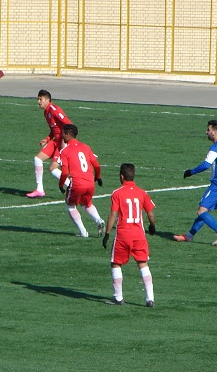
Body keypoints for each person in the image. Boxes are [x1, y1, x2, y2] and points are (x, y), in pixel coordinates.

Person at [174, 119, 217, 246]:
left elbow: (206, 165)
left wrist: (191, 172)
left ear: (214, 132)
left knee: (201, 211)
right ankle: (189, 235)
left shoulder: (216, 146)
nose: (206, 132)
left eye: (208, 130)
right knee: (205, 211)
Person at [102, 163, 156, 307]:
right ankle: (150, 298)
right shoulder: (142, 192)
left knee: (116, 263)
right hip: (139, 234)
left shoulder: (117, 193)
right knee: (143, 263)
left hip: (123, 234)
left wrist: (107, 234)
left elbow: (113, 214)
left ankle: (118, 297)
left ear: (121, 176)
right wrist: (152, 226)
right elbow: (150, 213)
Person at [58, 124, 105, 237]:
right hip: (90, 182)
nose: (62, 136)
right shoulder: (85, 147)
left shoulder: (65, 151)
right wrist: (97, 177)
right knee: (87, 203)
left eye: (63, 134)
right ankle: (99, 220)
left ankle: (83, 232)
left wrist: (61, 185)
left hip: (77, 183)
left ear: (68, 135)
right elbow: (97, 165)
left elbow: (64, 172)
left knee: (70, 205)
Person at [27, 89, 73, 198]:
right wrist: (47, 139)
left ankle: (72, 187)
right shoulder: (46, 112)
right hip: (55, 141)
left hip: (62, 141)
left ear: (47, 100)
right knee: (37, 159)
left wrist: (67, 141)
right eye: (38, 99)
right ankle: (40, 190)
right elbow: (54, 129)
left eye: (40, 99)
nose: (38, 101)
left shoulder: (54, 109)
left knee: (53, 169)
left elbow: (69, 125)